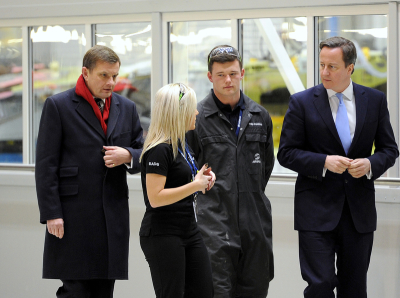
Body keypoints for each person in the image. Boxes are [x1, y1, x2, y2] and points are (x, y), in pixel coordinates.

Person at [277, 36, 399, 298]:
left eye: (332, 66)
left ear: (350, 68)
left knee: (354, 289)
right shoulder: (302, 102)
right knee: (320, 285)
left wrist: (369, 164)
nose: (324, 72)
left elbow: (390, 150)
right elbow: (286, 153)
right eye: (322, 65)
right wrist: (323, 162)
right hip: (315, 212)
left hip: (358, 213)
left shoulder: (375, 100)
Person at [35, 45, 143, 298]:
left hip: (112, 214)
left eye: (115, 76)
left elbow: (143, 151)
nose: (111, 82)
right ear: (85, 72)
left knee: (104, 290)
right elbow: (46, 164)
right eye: (104, 75)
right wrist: (52, 213)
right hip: (73, 216)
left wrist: (128, 155)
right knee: (75, 290)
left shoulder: (126, 107)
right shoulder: (58, 105)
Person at [187, 45, 275, 298]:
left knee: (256, 289)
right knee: (217, 291)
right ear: (209, 77)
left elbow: (265, 168)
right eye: (221, 74)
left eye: (233, 74)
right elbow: (188, 169)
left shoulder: (260, 115)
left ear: (242, 73)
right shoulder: (196, 117)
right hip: (213, 223)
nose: (228, 80)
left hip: (255, 222)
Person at [139, 83, 216, 298]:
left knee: (204, 291)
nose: (197, 112)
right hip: (163, 233)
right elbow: (155, 198)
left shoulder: (181, 143)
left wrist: (202, 178)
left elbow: (181, 181)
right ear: (179, 112)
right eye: (192, 107)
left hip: (188, 229)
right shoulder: (159, 149)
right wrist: (195, 185)